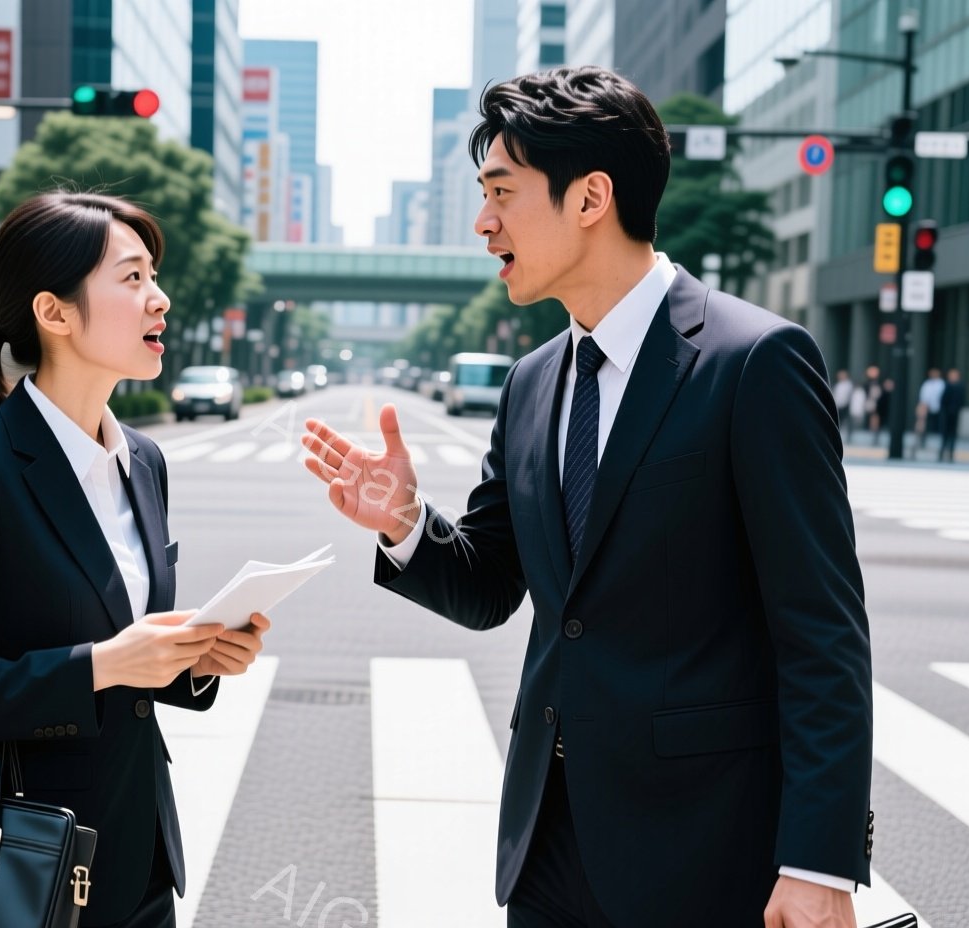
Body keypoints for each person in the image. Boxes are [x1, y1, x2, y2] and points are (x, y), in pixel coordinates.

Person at [301, 67, 872, 928]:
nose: (483, 221)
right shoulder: (532, 382)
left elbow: (822, 631)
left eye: (502, 192)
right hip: (547, 843)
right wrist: (406, 524)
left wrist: (819, 861)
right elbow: (493, 586)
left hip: (705, 848)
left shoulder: (754, 362)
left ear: (591, 198)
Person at [0, 192, 273, 928]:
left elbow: (125, 653)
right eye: (132, 278)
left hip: (138, 860)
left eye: (153, 275)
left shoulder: (143, 460)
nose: (159, 298)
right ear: (54, 313)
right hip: (16, 863)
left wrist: (194, 660)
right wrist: (100, 664)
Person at [938, 367, 966, 462]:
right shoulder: (946, 385)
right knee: (944, 434)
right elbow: (942, 400)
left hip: (955, 413)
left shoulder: (960, 387)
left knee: (953, 434)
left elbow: (961, 400)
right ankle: (942, 452)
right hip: (946, 413)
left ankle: (951, 453)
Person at [915, 368, 944, 456]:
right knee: (922, 422)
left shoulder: (941, 384)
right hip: (926, 406)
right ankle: (920, 438)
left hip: (938, 407)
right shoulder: (927, 384)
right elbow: (924, 396)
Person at [831, 371, 855, 442]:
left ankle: (848, 438)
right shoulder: (837, 385)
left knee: (847, 422)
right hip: (837, 406)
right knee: (838, 421)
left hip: (846, 406)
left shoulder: (849, 385)